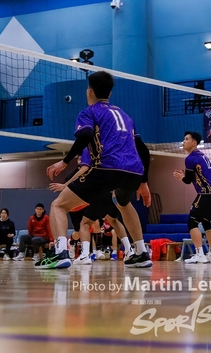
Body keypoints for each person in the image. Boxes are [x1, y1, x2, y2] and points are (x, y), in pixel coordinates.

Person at [42, 71, 152, 269]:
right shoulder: (125, 116)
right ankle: (141, 252)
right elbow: (143, 149)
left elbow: (85, 135)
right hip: (134, 172)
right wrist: (144, 182)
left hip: (107, 169)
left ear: (90, 91)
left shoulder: (89, 112)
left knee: (58, 205)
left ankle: (59, 253)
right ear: (110, 93)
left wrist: (64, 162)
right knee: (124, 204)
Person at [172, 131, 211, 264]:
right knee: (206, 222)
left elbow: (188, 180)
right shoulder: (202, 156)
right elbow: (196, 176)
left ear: (194, 143)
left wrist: (181, 177)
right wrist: (185, 175)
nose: (183, 141)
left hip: (207, 193)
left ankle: (199, 254)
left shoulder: (190, 158)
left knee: (192, 222)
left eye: (186, 139)